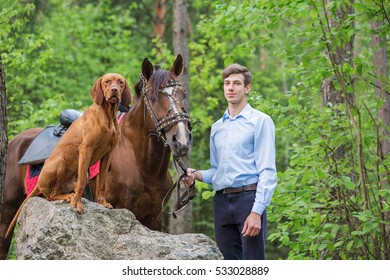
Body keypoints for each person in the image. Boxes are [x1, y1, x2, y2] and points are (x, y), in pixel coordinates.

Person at [183, 63, 277, 260]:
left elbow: (267, 172)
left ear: (247, 88)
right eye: (227, 83)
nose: (231, 88)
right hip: (222, 203)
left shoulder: (260, 121)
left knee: (253, 266)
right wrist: (197, 175)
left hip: (248, 200)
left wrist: (256, 212)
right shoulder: (218, 127)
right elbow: (218, 170)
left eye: (236, 83)